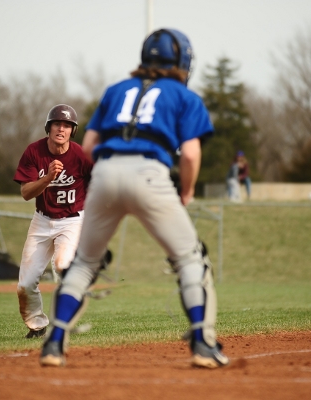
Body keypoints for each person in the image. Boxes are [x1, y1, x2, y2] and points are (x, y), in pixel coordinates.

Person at [39, 28, 229, 369]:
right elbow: (189, 155)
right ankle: (202, 342)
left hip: (106, 173)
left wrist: (106, 182)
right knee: (190, 259)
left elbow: (92, 146)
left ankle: (54, 344)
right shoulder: (183, 96)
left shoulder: (116, 89)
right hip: (150, 174)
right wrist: (185, 191)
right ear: (183, 61)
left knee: (84, 264)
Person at [13, 104, 93, 338]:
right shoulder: (34, 152)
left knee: (63, 266)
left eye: (67, 125)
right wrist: (48, 177)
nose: (62, 129)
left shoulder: (80, 155)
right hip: (42, 220)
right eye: (57, 124)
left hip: (72, 221)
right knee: (25, 284)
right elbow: (26, 193)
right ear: (48, 128)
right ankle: (37, 327)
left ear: (72, 131)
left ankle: (65, 320)